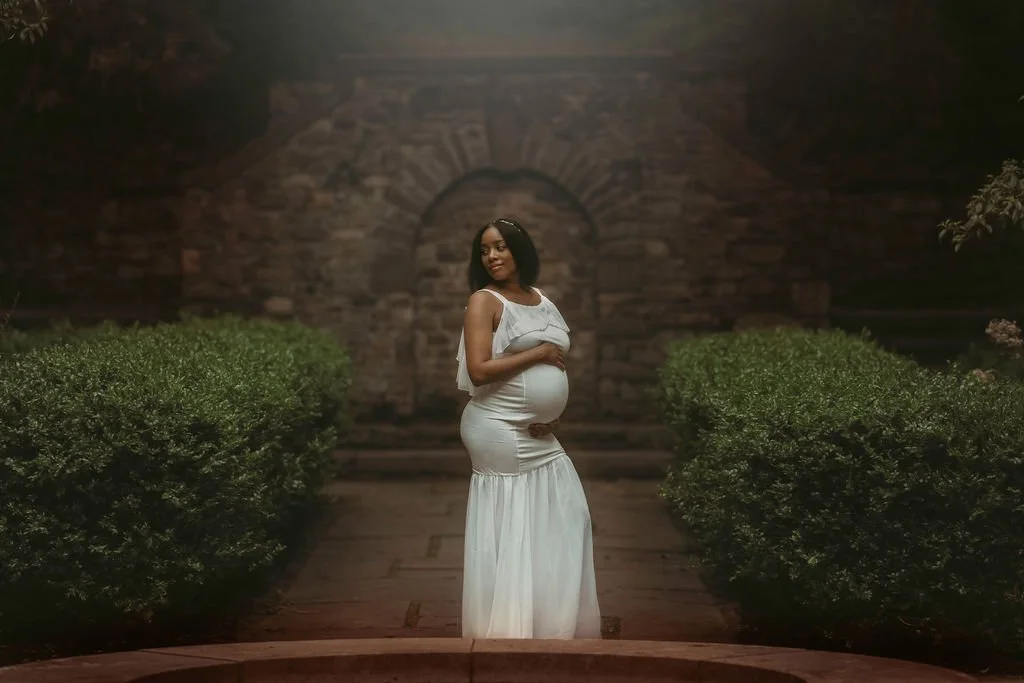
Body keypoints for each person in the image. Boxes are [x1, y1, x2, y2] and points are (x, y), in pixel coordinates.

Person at [455, 217, 602, 639]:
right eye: (484, 250)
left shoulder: (540, 298)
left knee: (567, 514)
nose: (492, 257)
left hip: (535, 431)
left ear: (520, 249)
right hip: (496, 426)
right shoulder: (484, 301)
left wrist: (552, 410)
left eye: (499, 246)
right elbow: (481, 370)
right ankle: (508, 632)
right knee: (517, 521)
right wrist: (537, 355)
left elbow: (554, 361)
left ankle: (548, 625)